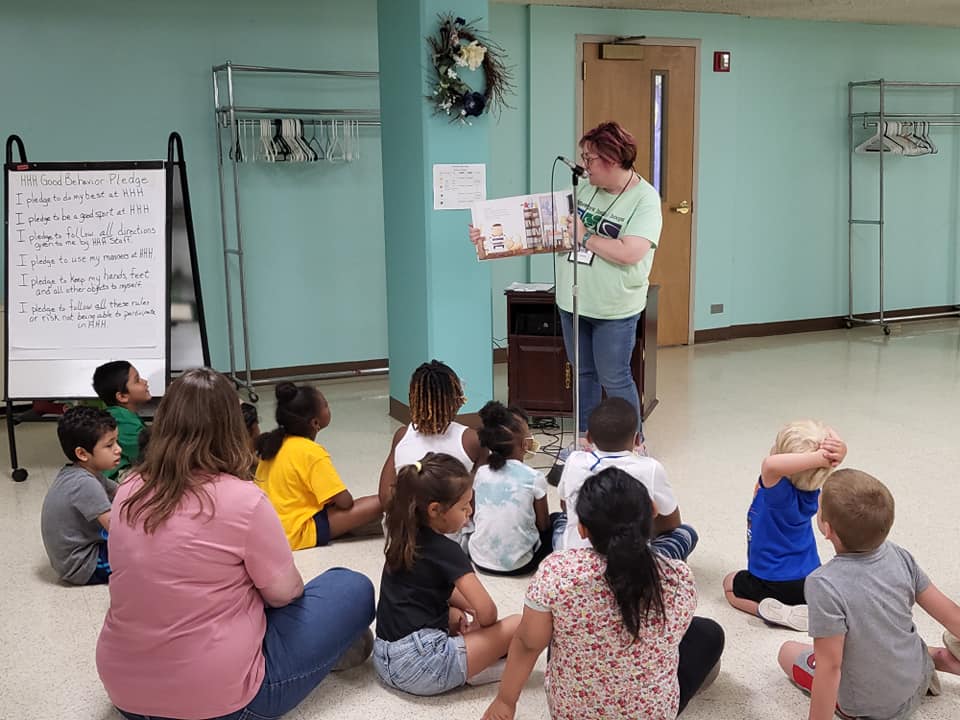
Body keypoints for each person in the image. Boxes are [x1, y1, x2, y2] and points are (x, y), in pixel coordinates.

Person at [96, 368, 375, 720]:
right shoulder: (244, 499)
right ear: (231, 427)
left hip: (126, 694)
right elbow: (284, 595)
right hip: (225, 703)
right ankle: (331, 649)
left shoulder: (129, 490)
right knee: (351, 586)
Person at [470, 121, 661, 444]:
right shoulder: (584, 188)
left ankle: (631, 444)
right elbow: (544, 229)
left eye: (590, 159)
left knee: (614, 378)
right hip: (573, 303)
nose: (583, 166)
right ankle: (586, 438)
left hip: (614, 308)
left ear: (612, 160)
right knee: (582, 374)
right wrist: (487, 237)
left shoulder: (645, 200)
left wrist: (584, 236)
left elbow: (631, 252)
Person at [482, 468, 724, 720]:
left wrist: (505, 701)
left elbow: (527, 643)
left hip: (572, 714)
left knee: (553, 630)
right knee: (709, 633)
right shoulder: (679, 578)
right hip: (652, 713)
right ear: (653, 510)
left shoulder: (557, 574)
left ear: (583, 529)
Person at [777, 469, 960, 720]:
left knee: (787, 651)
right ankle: (937, 660)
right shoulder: (898, 554)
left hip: (871, 708)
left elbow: (830, 668)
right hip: (917, 676)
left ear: (827, 529)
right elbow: (951, 614)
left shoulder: (824, 584)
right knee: (886, 636)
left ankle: (916, 672)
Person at [373, 453, 520, 696]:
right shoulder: (448, 550)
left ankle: (472, 659)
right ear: (435, 510)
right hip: (424, 668)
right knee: (517, 624)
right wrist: (479, 626)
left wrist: (467, 610)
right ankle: (487, 670)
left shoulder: (403, 538)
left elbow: (428, 589)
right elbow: (488, 611)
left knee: (455, 616)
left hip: (385, 659)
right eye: (464, 507)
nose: (470, 512)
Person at [722, 420, 846, 631]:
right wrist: (836, 454)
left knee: (729, 584)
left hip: (770, 579)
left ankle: (766, 610)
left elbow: (770, 465)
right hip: (808, 579)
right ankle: (802, 608)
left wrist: (820, 457)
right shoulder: (811, 490)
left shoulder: (778, 493)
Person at [556, 398, 696, 561]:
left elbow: (565, 505)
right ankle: (662, 567)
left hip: (577, 557)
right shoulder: (650, 467)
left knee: (560, 522)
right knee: (686, 533)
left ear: (588, 437)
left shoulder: (574, 460)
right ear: (637, 440)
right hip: (634, 561)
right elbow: (671, 523)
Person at [255, 382, 382, 550]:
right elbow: (345, 502)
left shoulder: (273, 444)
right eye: (326, 405)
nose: (329, 407)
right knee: (381, 500)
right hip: (295, 532)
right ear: (315, 423)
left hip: (268, 530)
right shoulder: (311, 452)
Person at [378, 360, 486, 549]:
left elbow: (385, 497)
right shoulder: (471, 440)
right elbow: (481, 497)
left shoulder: (402, 435)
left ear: (413, 399)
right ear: (457, 400)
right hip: (451, 534)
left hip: (401, 535)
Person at [40, 406, 121, 585]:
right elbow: (117, 529)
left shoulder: (84, 472)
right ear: (82, 453)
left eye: (117, 442)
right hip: (83, 564)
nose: (118, 449)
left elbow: (121, 492)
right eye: (109, 445)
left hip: (81, 550)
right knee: (144, 557)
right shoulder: (84, 483)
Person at [470, 401, 553, 575]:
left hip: (478, 560)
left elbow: (473, 512)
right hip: (520, 565)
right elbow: (543, 524)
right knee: (556, 521)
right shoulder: (534, 477)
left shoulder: (481, 473)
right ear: (525, 445)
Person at [92, 360, 151, 480]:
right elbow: (153, 452)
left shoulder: (122, 415)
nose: (145, 382)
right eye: (137, 380)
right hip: (119, 479)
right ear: (122, 396)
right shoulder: (120, 420)